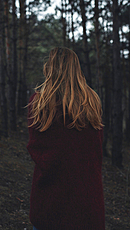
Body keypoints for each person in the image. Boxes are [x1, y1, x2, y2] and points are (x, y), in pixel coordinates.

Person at [26, 47, 105, 230]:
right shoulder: (92, 101)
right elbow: (96, 150)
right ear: (76, 69)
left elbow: (38, 150)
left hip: (50, 201)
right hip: (88, 199)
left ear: (50, 68)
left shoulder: (39, 103)